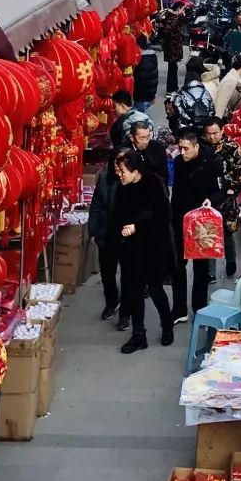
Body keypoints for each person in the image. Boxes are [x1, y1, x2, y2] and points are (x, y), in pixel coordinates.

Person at [111, 148, 174, 353]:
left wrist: (137, 227)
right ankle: (139, 335)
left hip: (153, 248)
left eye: (123, 171)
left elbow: (163, 218)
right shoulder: (122, 188)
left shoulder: (155, 185)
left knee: (155, 290)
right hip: (130, 249)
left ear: (136, 171)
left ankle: (167, 326)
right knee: (133, 292)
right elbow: (117, 214)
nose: (119, 174)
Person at [170, 129, 223, 323]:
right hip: (180, 219)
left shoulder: (213, 162)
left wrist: (211, 201)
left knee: (201, 268)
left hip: (203, 222)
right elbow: (175, 192)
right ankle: (179, 309)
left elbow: (221, 190)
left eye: (186, 149)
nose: (182, 153)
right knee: (177, 265)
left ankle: (199, 307)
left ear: (196, 147)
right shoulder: (178, 162)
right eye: (180, 148)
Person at [203, 117, 241, 278]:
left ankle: (231, 261)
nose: (212, 137)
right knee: (208, 233)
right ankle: (211, 273)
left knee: (227, 233)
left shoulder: (233, 148)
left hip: (227, 198)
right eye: (208, 134)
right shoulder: (202, 147)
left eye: (215, 133)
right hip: (207, 198)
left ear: (222, 131)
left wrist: (232, 191)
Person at [87, 150, 126, 326]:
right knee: (107, 274)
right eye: (116, 164)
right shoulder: (105, 179)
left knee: (129, 276)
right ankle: (111, 302)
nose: (119, 169)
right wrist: (93, 231)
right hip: (107, 234)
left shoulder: (137, 180)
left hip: (128, 237)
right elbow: (96, 205)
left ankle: (126, 313)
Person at [168, 58, 215, 133]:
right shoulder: (206, 92)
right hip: (202, 128)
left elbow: (178, 111)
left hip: (186, 130)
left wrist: (190, 120)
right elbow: (212, 110)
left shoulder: (181, 94)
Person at [128, 118, 169, 183]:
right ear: (132, 138)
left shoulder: (158, 148)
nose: (145, 141)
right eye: (142, 138)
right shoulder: (124, 151)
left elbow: (164, 175)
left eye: (148, 137)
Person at [157, 6, 187, 94]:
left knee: (174, 68)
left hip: (174, 47)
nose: (183, 11)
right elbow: (167, 30)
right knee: (172, 69)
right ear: (178, 9)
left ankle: (174, 87)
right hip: (172, 47)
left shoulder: (175, 18)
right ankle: (171, 89)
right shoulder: (172, 18)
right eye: (182, 9)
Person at [132, 34, 159, 112]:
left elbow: (140, 78)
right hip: (150, 93)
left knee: (139, 117)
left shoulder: (140, 59)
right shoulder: (152, 55)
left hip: (141, 95)